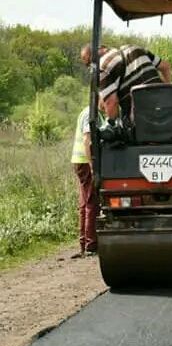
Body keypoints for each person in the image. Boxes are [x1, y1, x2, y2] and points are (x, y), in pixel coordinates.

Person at [80, 44, 172, 120]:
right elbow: (166, 67)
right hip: (168, 113)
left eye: (89, 63)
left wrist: (111, 121)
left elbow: (111, 104)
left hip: (142, 124)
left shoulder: (101, 68)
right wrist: (166, 92)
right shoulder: (135, 48)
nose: (90, 67)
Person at [70, 103, 105, 258]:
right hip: (85, 162)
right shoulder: (91, 114)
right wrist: (92, 165)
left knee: (85, 203)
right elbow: (87, 140)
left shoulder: (93, 113)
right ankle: (91, 244)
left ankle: (85, 243)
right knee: (92, 202)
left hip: (81, 161)